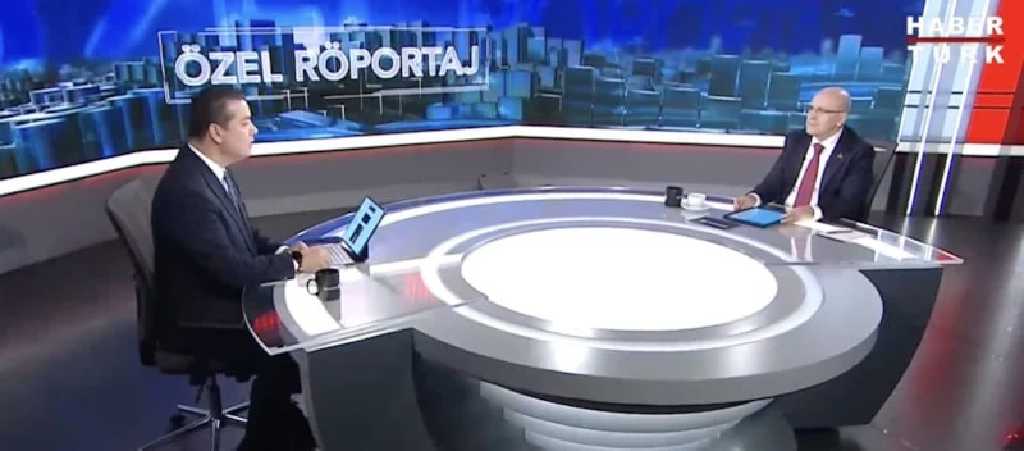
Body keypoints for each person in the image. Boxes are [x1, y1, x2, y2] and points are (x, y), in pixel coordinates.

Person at [151, 86, 329, 451]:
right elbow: (233, 271)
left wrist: (284, 251)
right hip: (202, 319)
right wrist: (296, 264)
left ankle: (285, 433)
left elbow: (245, 238)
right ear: (217, 132)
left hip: (218, 295)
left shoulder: (212, 171)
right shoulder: (187, 192)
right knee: (291, 348)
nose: (255, 130)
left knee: (297, 332)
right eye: (245, 123)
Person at [733, 87, 875, 223]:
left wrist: (813, 212)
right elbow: (774, 183)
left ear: (841, 118)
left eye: (822, 111)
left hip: (821, 223)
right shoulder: (796, 140)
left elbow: (849, 201)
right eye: (811, 108)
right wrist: (754, 198)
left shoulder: (857, 151)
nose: (812, 116)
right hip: (784, 217)